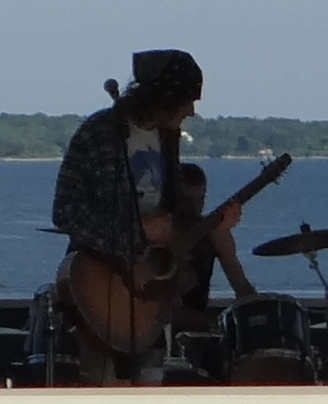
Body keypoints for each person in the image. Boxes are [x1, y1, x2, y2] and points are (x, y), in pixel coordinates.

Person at [46, 48, 222, 379]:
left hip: (151, 294)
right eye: (187, 100)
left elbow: (168, 212)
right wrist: (135, 235)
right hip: (104, 289)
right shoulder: (100, 133)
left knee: (150, 391)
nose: (191, 111)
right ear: (164, 98)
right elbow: (64, 211)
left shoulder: (168, 138)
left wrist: (206, 222)